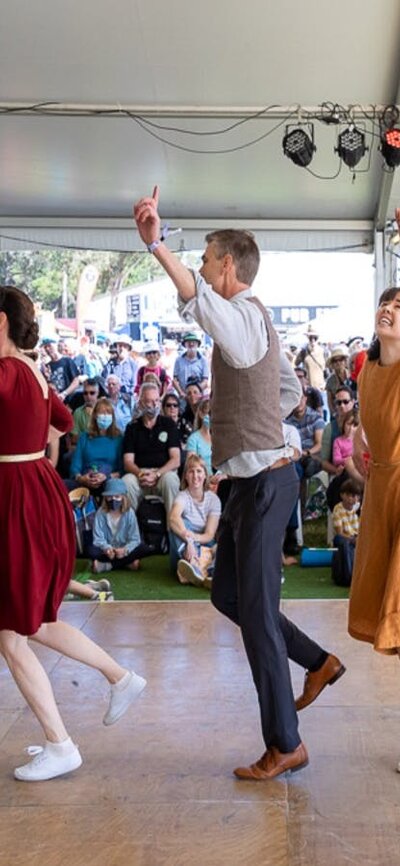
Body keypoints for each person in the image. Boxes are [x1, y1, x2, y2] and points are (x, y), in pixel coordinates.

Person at [133, 187, 346, 780]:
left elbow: (199, 302)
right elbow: (288, 391)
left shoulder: (244, 316)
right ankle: (317, 660)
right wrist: (260, 424)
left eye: (205, 259)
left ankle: (286, 743)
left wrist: (157, 246)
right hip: (251, 484)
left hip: (267, 485)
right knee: (229, 596)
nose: (201, 267)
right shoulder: (255, 327)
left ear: (227, 266)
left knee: (254, 612)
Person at [0, 285, 146, 782]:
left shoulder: (7, 373)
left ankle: (62, 742)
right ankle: (117, 680)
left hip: (17, 498)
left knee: (18, 631)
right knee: (27, 624)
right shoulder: (34, 374)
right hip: (32, 493)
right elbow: (62, 422)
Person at [348, 280, 400, 770]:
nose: (388, 309)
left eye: (399, 305)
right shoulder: (367, 372)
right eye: (385, 302)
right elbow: (364, 441)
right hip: (383, 494)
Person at [122, 382, 181, 518]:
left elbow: (176, 460)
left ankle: (173, 531)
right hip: (140, 474)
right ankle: (133, 532)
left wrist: (157, 474)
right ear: (141, 402)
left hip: (163, 473)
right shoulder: (132, 427)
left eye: (157, 400)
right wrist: (141, 474)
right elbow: (128, 462)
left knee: (171, 480)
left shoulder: (168, 424)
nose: (154, 405)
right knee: (126, 482)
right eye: (149, 401)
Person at [169, 454, 221, 586]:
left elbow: (209, 535)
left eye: (199, 471)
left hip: (204, 543)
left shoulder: (213, 500)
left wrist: (193, 538)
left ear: (205, 475)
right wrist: (189, 542)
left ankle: (207, 571)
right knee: (178, 525)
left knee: (221, 544)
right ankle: (194, 566)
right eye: (191, 471)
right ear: (186, 476)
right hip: (184, 548)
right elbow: (173, 517)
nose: (195, 475)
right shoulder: (182, 496)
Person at [88, 478, 153, 573]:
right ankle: (128, 563)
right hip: (107, 551)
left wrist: (125, 550)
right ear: (105, 497)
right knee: (91, 550)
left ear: (123, 497)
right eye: (109, 497)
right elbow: (98, 539)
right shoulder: (100, 513)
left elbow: (135, 539)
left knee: (144, 548)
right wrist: (107, 549)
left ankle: (107, 565)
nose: (113, 500)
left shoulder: (129, 513)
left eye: (117, 496)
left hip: (124, 550)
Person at [69, 398, 123, 495]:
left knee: (113, 486)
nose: (105, 417)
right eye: (102, 413)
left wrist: (107, 476)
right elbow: (75, 466)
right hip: (85, 478)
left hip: (109, 480)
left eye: (108, 413)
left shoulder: (118, 438)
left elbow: (122, 469)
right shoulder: (84, 437)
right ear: (95, 416)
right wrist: (82, 478)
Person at [172, 332, 209, 398]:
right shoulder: (178, 360)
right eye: (188, 342)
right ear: (185, 345)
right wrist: (181, 392)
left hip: (199, 397)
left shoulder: (203, 360)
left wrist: (196, 392)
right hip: (183, 397)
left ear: (198, 344)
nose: (191, 344)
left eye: (193, 342)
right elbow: (175, 380)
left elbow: (205, 381)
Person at [185, 397, 212, 474]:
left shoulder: (220, 438)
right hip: (202, 480)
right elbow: (191, 466)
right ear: (201, 414)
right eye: (209, 413)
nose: (212, 417)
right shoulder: (193, 439)